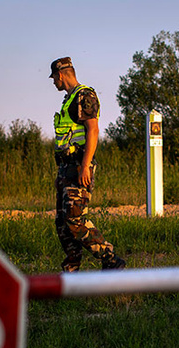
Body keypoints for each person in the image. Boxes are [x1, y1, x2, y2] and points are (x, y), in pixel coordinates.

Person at [49, 56, 125, 272]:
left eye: (54, 78)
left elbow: (93, 129)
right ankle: (71, 269)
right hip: (66, 167)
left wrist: (85, 165)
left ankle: (111, 259)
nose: (53, 82)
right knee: (63, 222)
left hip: (78, 165)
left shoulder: (84, 95)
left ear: (61, 75)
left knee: (75, 220)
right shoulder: (69, 99)